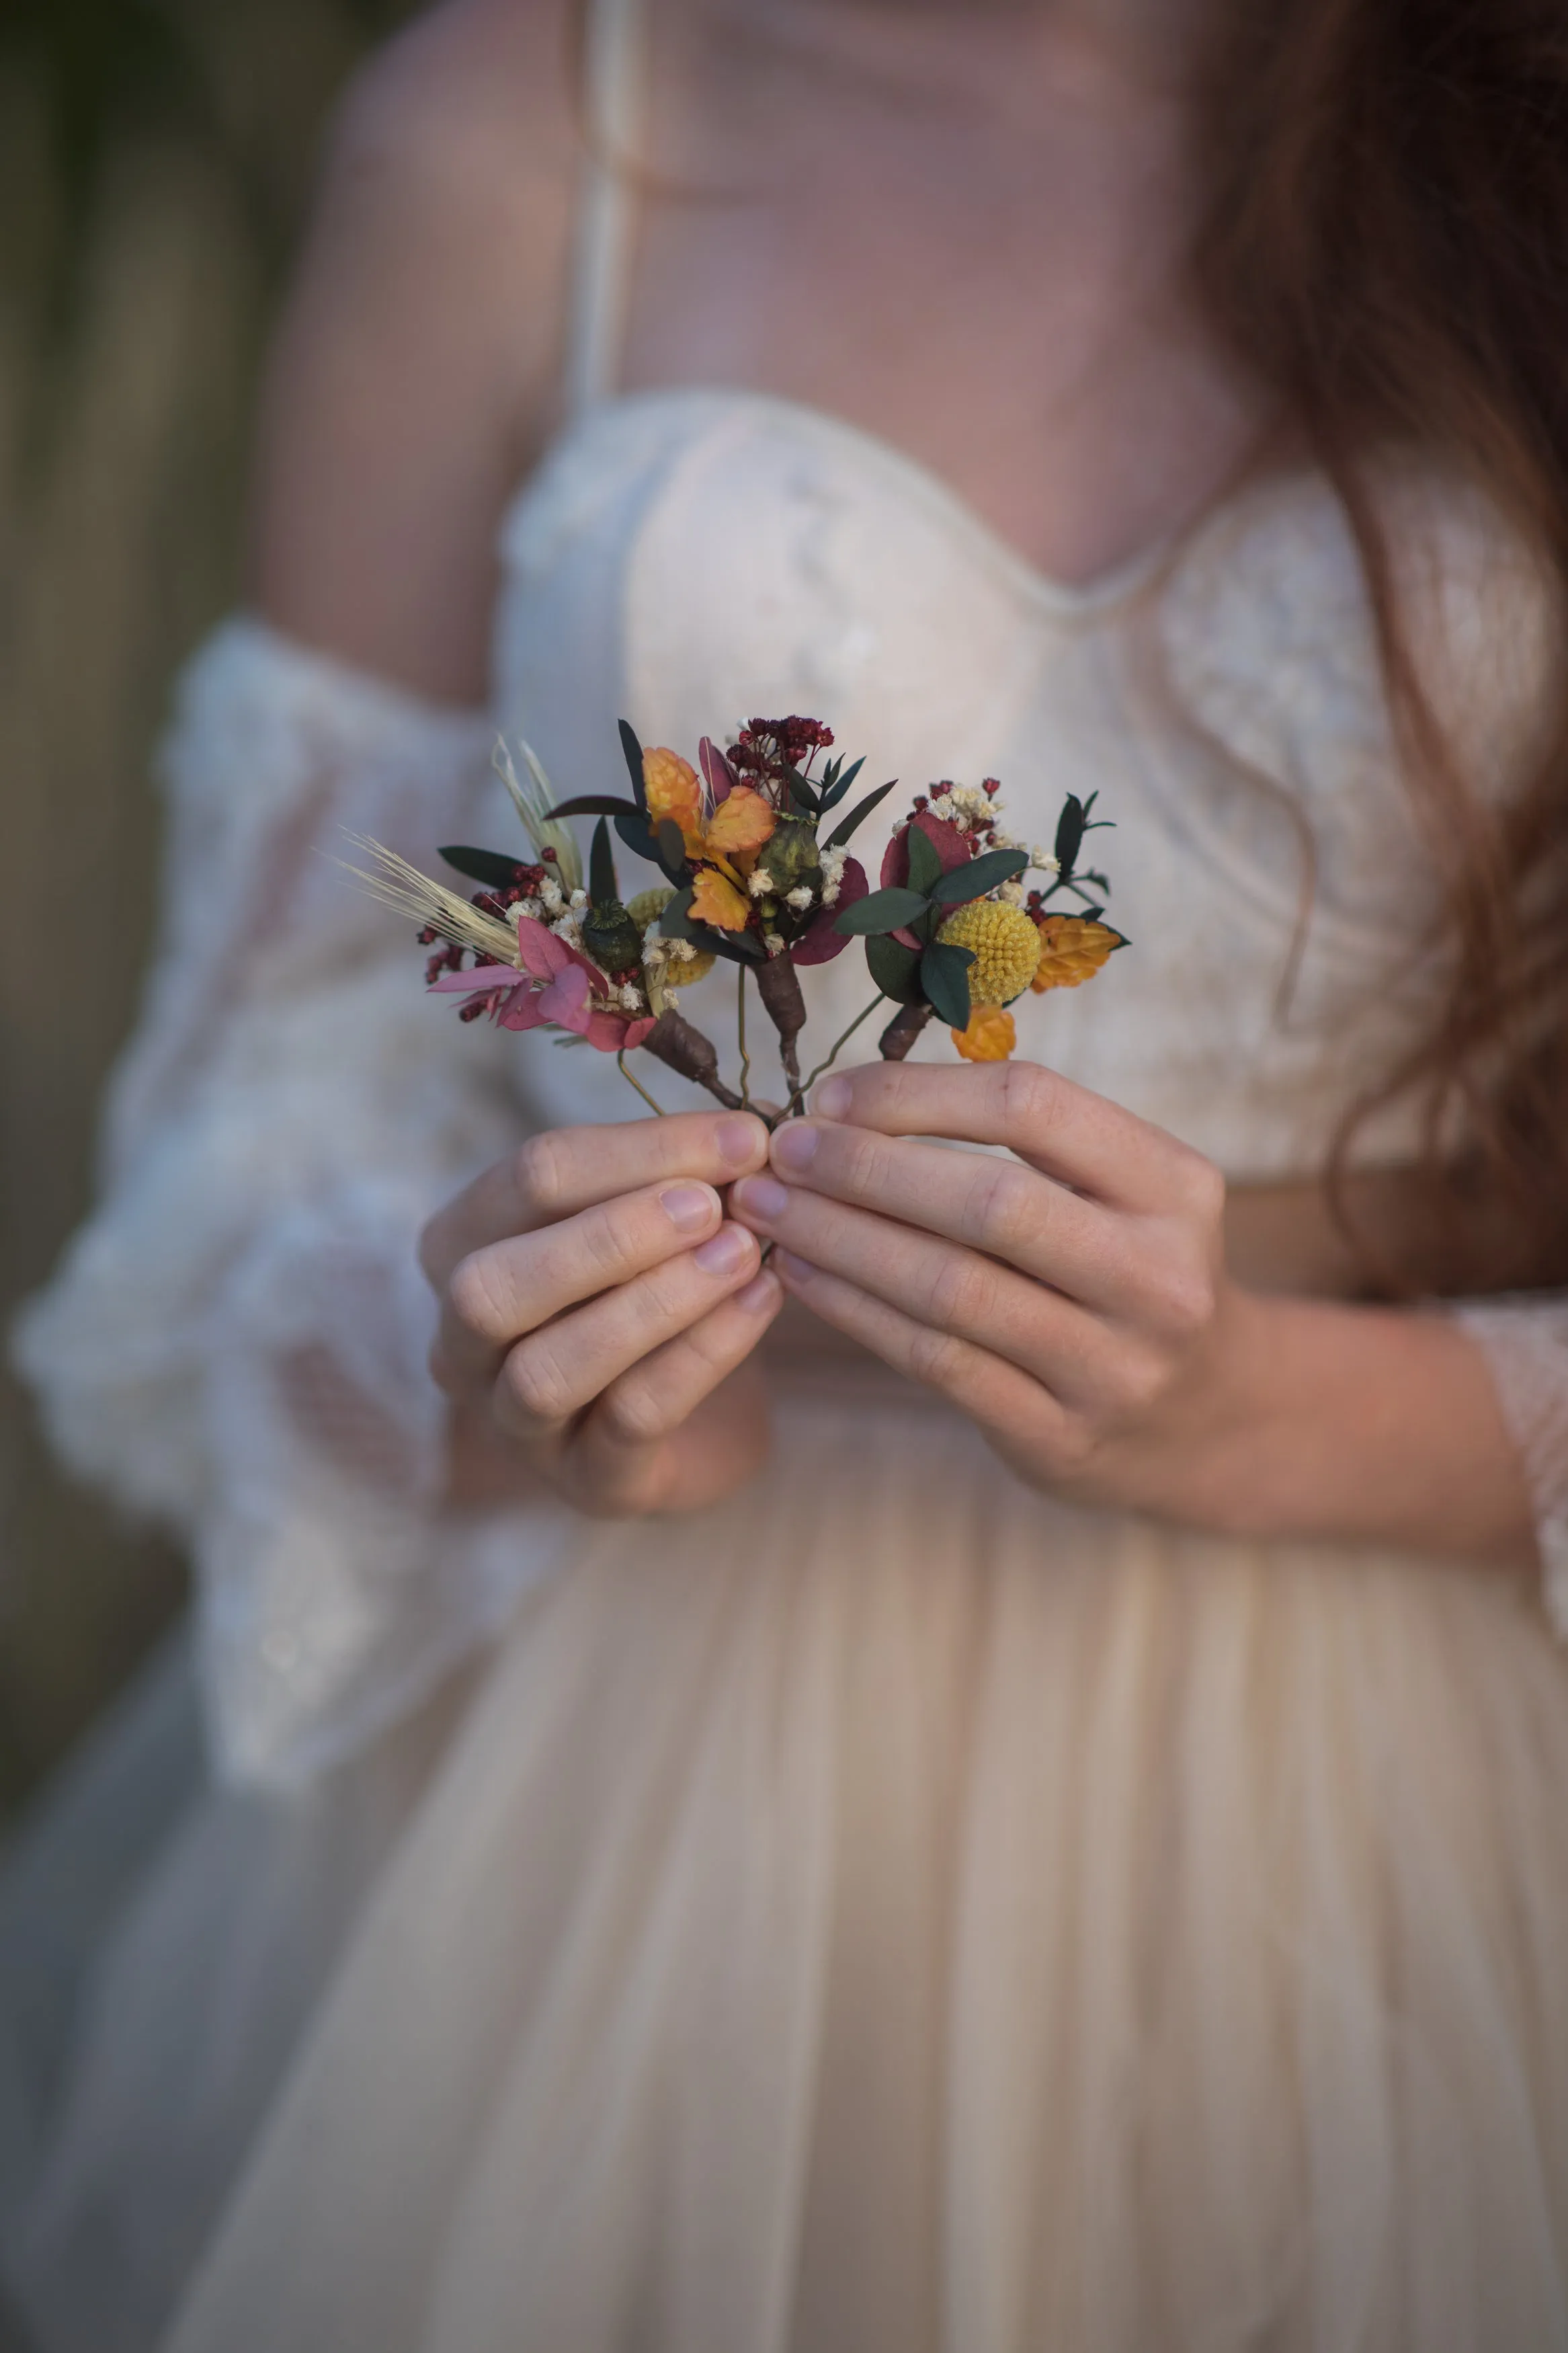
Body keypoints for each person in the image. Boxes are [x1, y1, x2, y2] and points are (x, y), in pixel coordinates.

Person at [5, 0, 1568, 2343]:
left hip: (1413, 1793)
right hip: (607, 1823)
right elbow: (262, 1115)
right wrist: (505, 1373)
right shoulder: (532, 114)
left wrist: (1249, 1406)